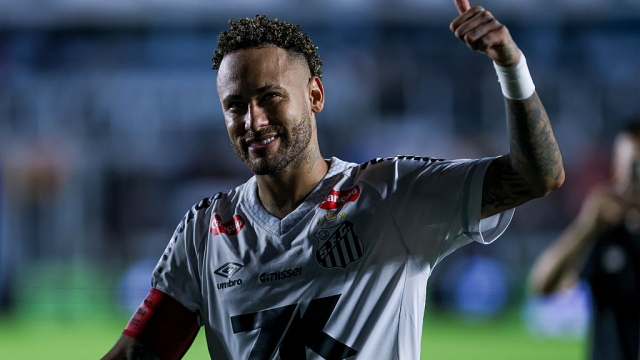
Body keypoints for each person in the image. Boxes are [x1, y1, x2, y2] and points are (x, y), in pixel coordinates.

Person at [103, 0, 565, 358]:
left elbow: (537, 176)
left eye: (270, 98)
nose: (253, 120)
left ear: (316, 95)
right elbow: (140, 354)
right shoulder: (206, 233)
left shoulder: (392, 195)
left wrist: (510, 65)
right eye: (235, 105)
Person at [529, 122, 640, 360]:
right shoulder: (604, 230)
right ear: (617, 168)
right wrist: (586, 226)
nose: (635, 177)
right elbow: (543, 286)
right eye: (632, 166)